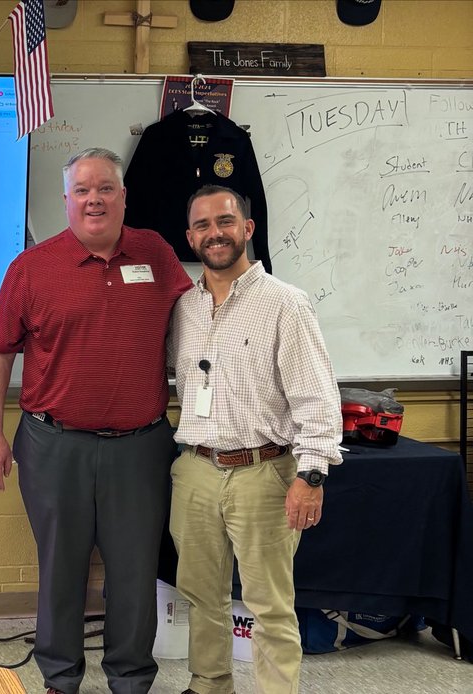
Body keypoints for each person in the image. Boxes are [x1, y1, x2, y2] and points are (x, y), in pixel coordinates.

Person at [0, 147, 192, 694]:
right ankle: (60, 678)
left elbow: (196, 328)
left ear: (124, 197)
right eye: (82, 190)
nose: (94, 199)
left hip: (142, 446)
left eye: (105, 189)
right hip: (52, 443)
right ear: (66, 200)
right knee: (60, 570)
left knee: (134, 572)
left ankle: (130, 678)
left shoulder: (157, 253)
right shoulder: (30, 268)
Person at [167, 185, 342, 694]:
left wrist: (311, 475)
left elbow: (316, 398)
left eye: (224, 222)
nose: (213, 234)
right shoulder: (184, 309)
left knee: (268, 605)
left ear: (247, 228)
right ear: (189, 237)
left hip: (262, 472)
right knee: (201, 596)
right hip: (196, 469)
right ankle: (209, 684)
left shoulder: (286, 305)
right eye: (201, 225)